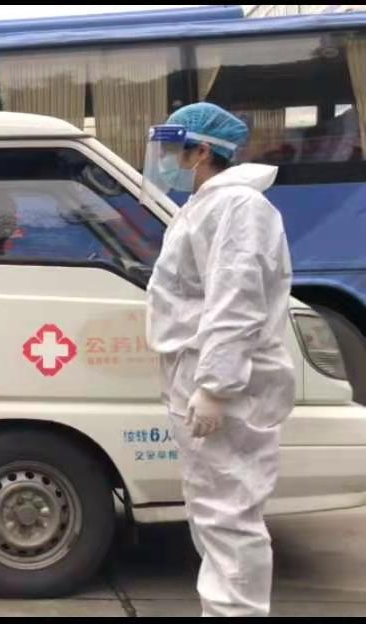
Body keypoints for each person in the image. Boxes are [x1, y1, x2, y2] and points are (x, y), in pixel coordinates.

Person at [144, 102, 296, 617]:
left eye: (174, 149)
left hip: (226, 381)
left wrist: (215, 386)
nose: (166, 160)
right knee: (212, 510)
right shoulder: (207, 204)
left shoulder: (238, 207)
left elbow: (237, 300)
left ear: (203, 151)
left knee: (229, 514)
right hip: (201, 370)